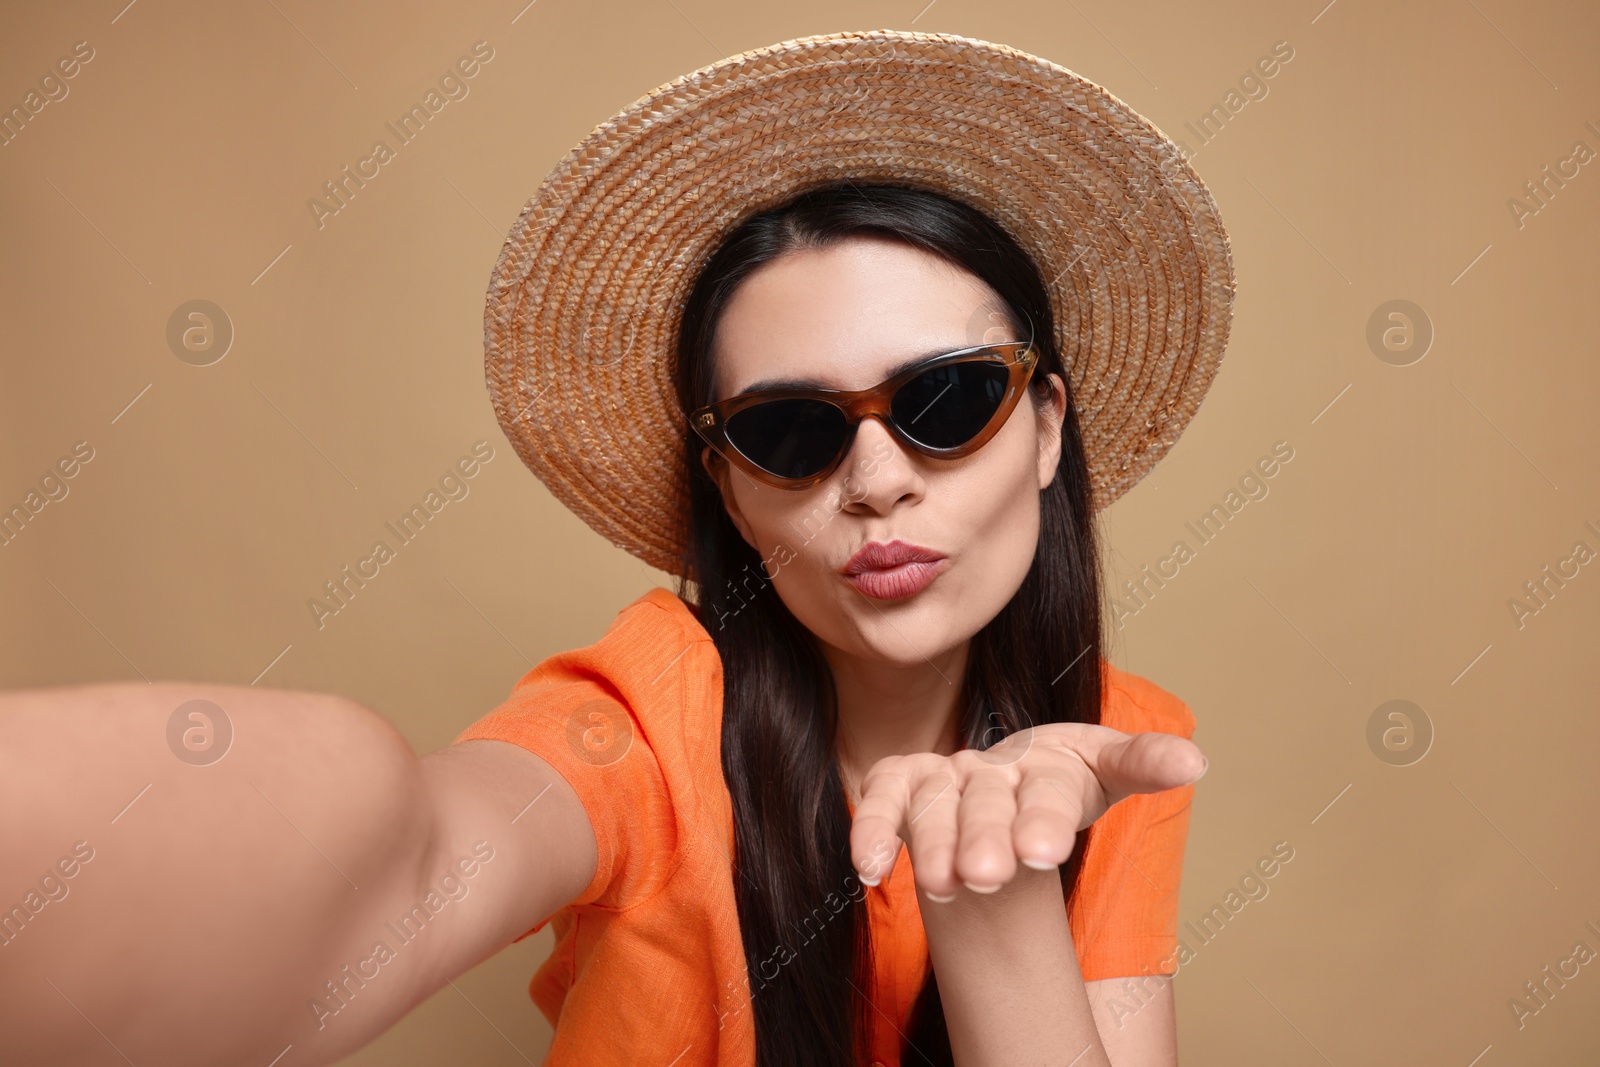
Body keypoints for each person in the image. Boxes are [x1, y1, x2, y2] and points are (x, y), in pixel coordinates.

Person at [0, 29, 1233, 1067]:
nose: (874, 480)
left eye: (949, 399)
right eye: (789, 429)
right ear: (731, 492)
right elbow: (414, 857)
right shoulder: (642, 719)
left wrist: (992, 893)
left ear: (1045, 429)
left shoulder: (1110, 746)